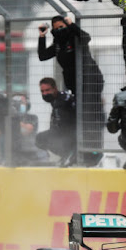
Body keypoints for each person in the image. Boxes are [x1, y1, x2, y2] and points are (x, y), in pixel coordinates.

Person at [38, 16, 104, 164]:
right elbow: (42, 56)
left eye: (62, 27)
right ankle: (76, 150)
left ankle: (93, 152)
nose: (59, 30)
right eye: (56, 28)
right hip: (75, 85)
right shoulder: (58, 44)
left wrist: (71, 24)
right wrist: (42, 36)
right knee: (78, 116)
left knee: (89, 115)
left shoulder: (75, 38)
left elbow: (86, 37)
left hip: (90, 81)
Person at [35, 77, 77, 166]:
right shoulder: (56, 99)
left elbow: (61, 123)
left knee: (40, 138)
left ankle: (70, 154)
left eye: (47, 90)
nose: (45, 93)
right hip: (66, 133)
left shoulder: (61, 101)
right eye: (42, 91)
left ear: (55, 88)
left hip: (71, 133)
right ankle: (67, 155)